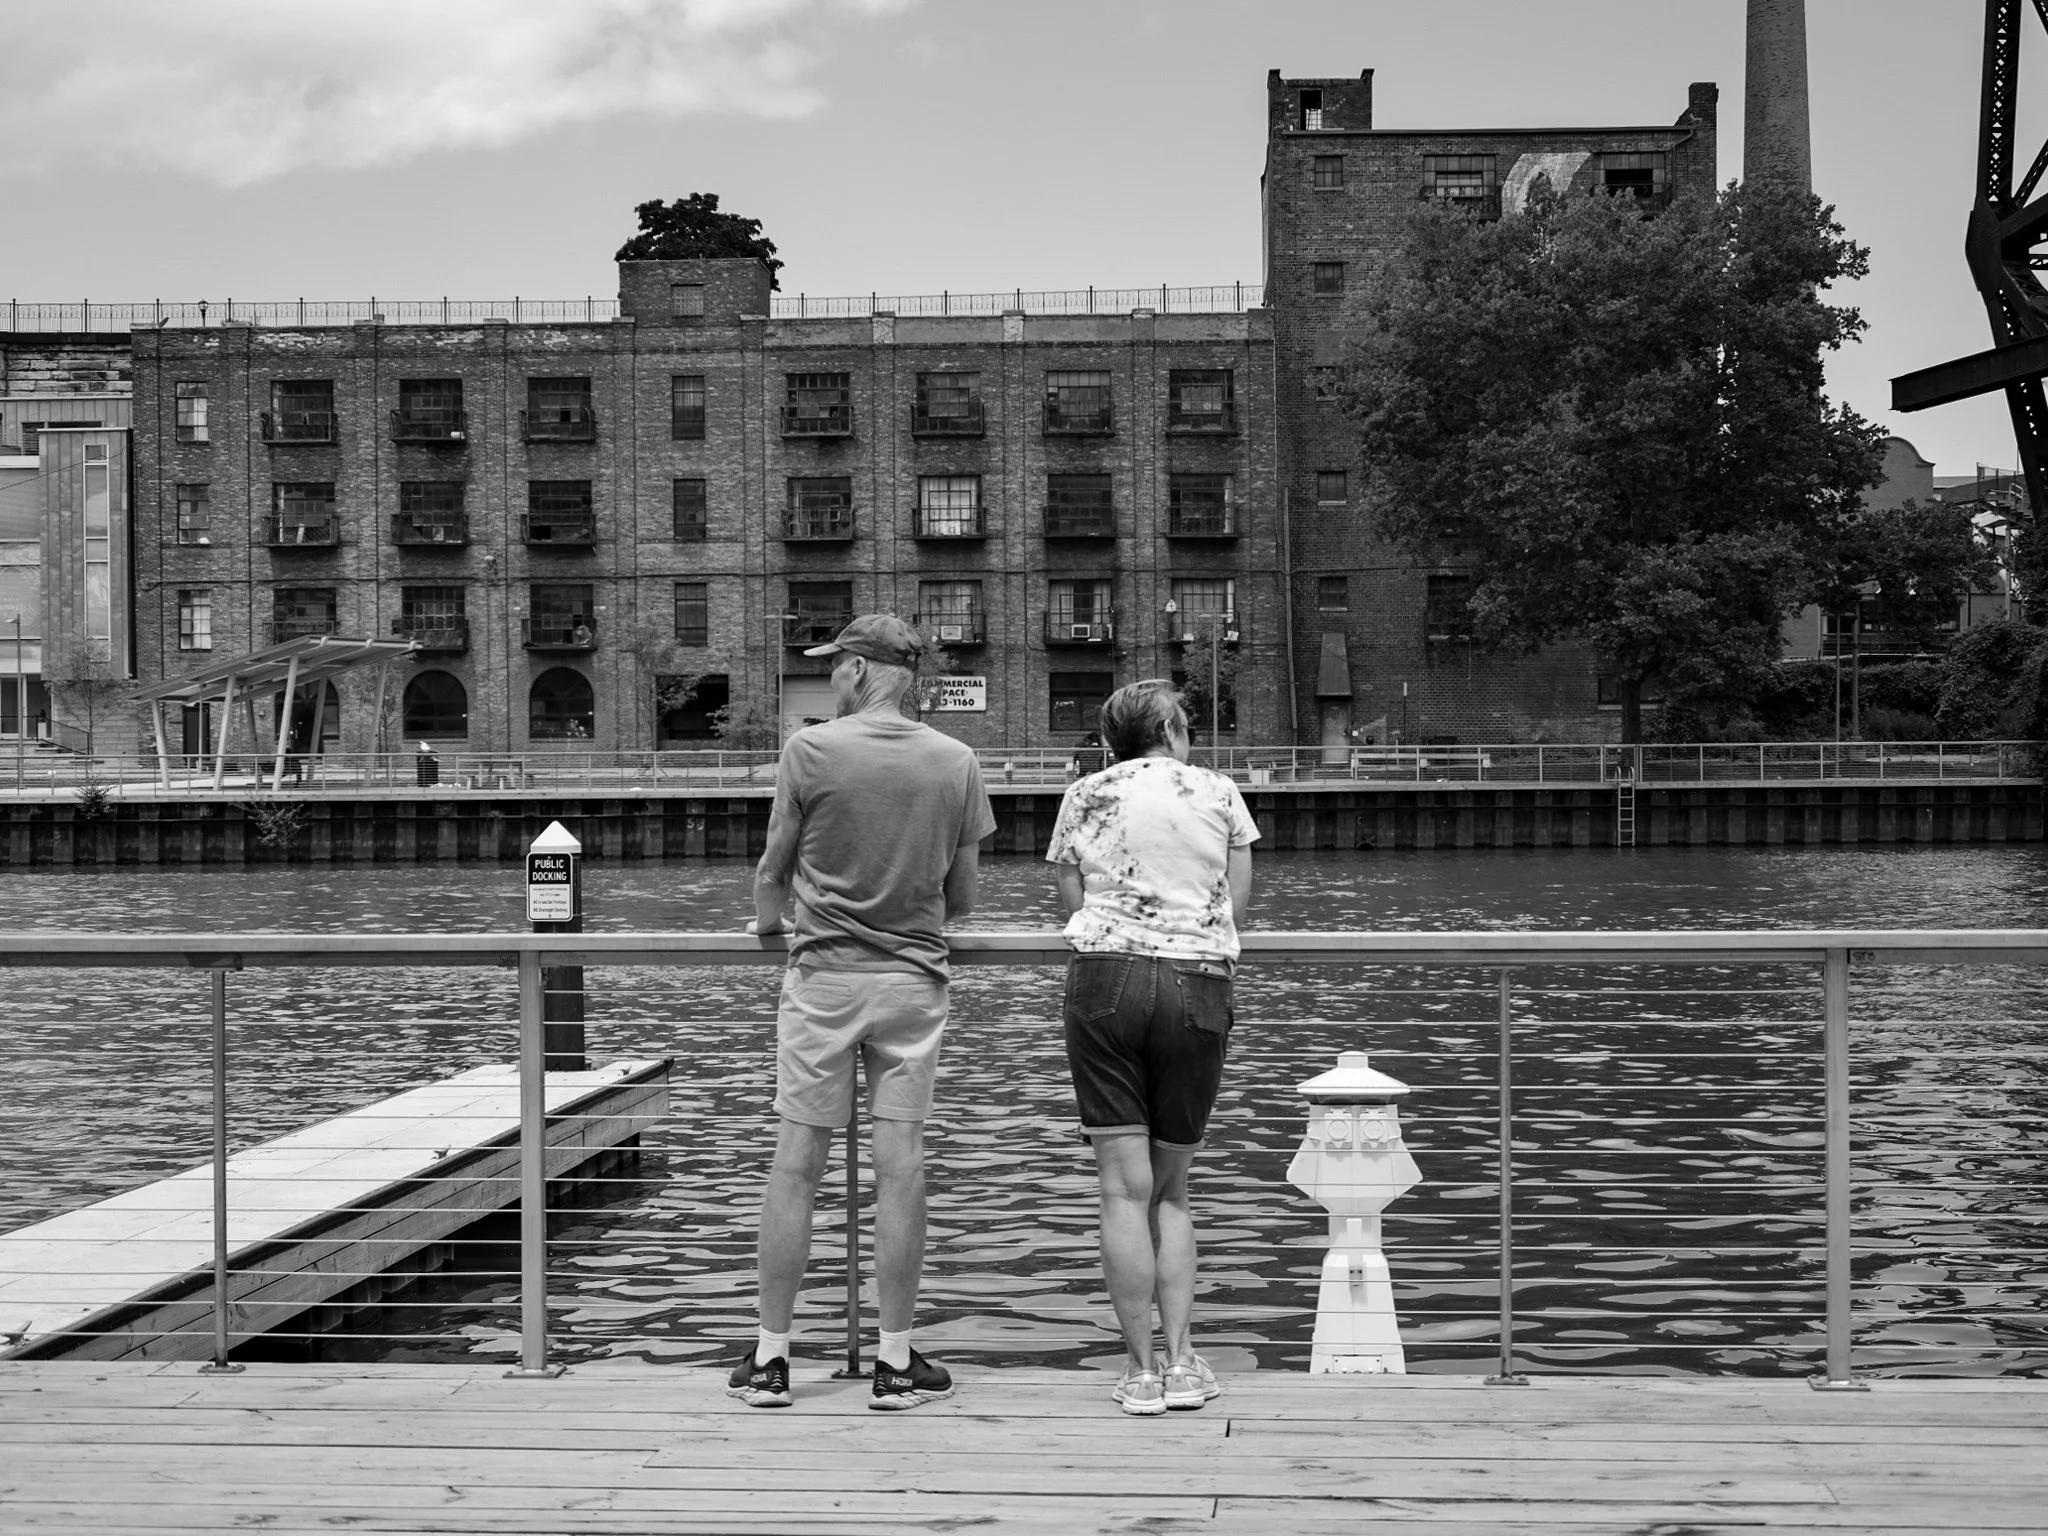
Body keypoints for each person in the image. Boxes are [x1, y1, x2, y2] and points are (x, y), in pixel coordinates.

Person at [730, 613, 997, 1412]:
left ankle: (772, 1362)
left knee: (796, 1165)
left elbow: (773, 869)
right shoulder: (956, 761)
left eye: (833, 665)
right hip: (911, 983)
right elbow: (963, 897)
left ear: (854, 669)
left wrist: (771, 926)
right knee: (900, 1168)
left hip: (823, 981)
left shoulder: (809, 750)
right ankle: (893, 1362)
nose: (830, 678)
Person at [1045, 680, 1257, 1416]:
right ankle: (1184, 1363)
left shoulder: (1084, 794)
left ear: (1113, 740)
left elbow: (1072, 897)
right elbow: (1234, 900)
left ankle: (1139, 1373)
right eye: (1186, 723)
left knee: (1121, 1191)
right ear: (1167, 728)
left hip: (1106, 979)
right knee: (1171, 1191)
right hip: (1197, 981)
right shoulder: (1219, 791)